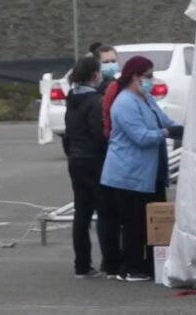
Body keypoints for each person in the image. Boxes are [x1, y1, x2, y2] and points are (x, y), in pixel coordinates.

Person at [99, 56, 183, 282]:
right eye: (147, 76)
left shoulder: (146, 99)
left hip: (149, 174)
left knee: (149, 222)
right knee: (133, 223)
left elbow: (164, 120)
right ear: (135, 77)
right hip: (127, 174)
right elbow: (140, 137)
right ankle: (130, 267)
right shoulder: (124, 102)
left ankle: (148, 264)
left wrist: (181, 128)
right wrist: (166, 133)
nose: (151, 80)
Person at [63, 57, 114, 278]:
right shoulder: (94, 100)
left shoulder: (72, 97)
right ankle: (109, 262)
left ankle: (81, 265)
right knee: (105, 212)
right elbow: (98, 133)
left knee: (81, 214)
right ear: (94, 74)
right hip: (94, 160)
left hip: (76, 159)